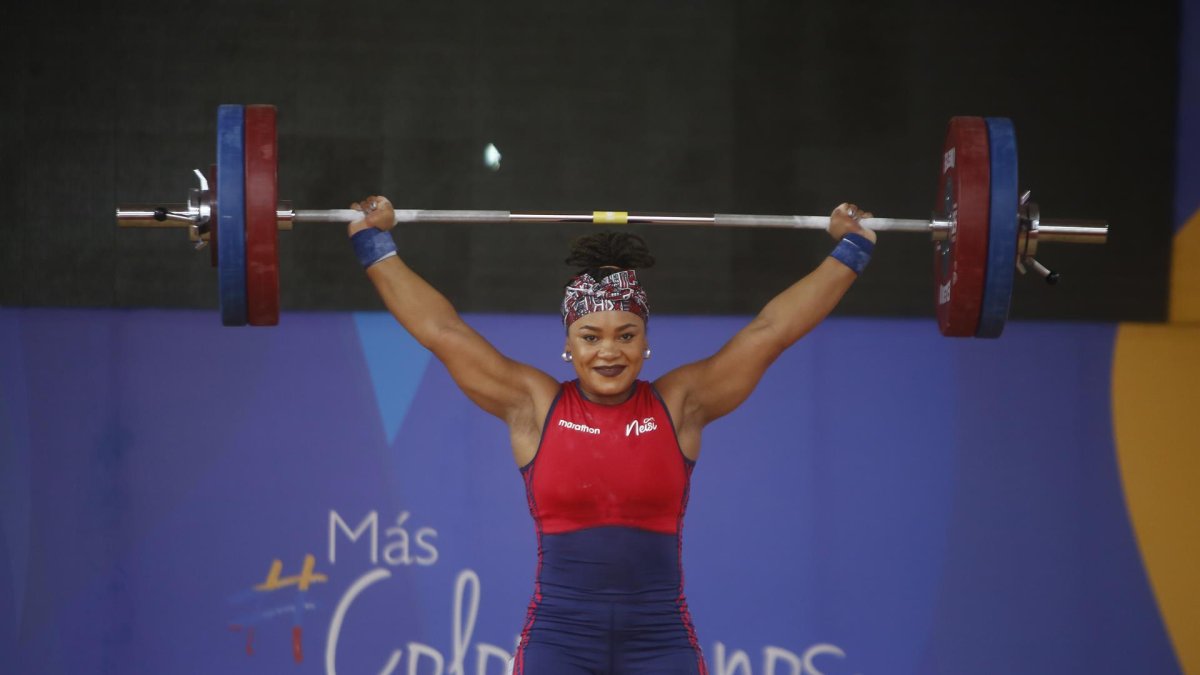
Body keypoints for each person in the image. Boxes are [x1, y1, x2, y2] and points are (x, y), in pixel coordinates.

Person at [346, 198, 876, 675]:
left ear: (646, 342)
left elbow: (770, 331)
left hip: (661, 642)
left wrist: (852, 248)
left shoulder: (679, 404)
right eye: (590, 336)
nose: (609, 352)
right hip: (559, 643)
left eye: (627, 335)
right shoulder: (533, 405)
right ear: (568, 346)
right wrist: (374, 241)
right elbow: (444, 331)